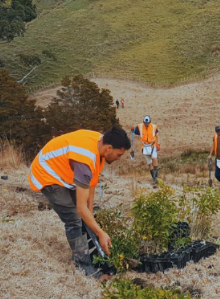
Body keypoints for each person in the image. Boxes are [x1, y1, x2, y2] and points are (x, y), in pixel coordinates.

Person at [28, 126, 131, 279]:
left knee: (84, 216)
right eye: (119, 154)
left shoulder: (99, 143)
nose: (119, 158)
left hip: (63, 172)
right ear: (109, 148)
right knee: (73, 219)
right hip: (46, 173)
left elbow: (91, 184)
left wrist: (91, 218)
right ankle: (84, 267)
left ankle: (87, 254)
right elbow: (81, 208)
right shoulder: (85, 160)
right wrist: (100, 233)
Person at [131, 115, 160, 184]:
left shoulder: (154, 127)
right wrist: (132, 130)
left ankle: (156, 178)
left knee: (154, 158)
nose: (146, 124)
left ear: (150, 122)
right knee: (149, 163)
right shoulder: (139, 126)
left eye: (147, 123)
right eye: (145, 123)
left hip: (153, 145)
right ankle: (154, 178)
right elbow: (133, 132)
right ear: (143, 122)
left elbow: (157, 135)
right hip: (144, 147)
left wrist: (158, 144)